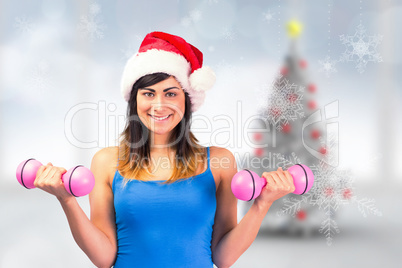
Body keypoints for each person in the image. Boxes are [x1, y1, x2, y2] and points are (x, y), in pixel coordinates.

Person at [34, 32, 295, 268]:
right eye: (148, 93)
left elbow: (223, 258)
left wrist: (262, 204)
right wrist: (66, 199)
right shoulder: (106, 162)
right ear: (134, 100)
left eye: (170, 94)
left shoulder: (218, 161)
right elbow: (104, 258)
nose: (159, 105)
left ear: (187, 101)